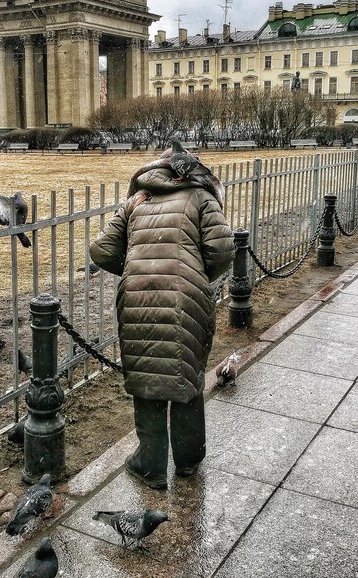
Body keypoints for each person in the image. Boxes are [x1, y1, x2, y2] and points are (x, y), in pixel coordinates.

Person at [89, 139, 235, 489]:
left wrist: (134, 267)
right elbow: (223, 249)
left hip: (138, 297)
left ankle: (150, 465)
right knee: (186, 376)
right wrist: (197, 274)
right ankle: (187, 458)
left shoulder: (137, 200)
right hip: (187, 297)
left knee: (147, 379)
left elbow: (100, 250)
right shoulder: (200, 197)